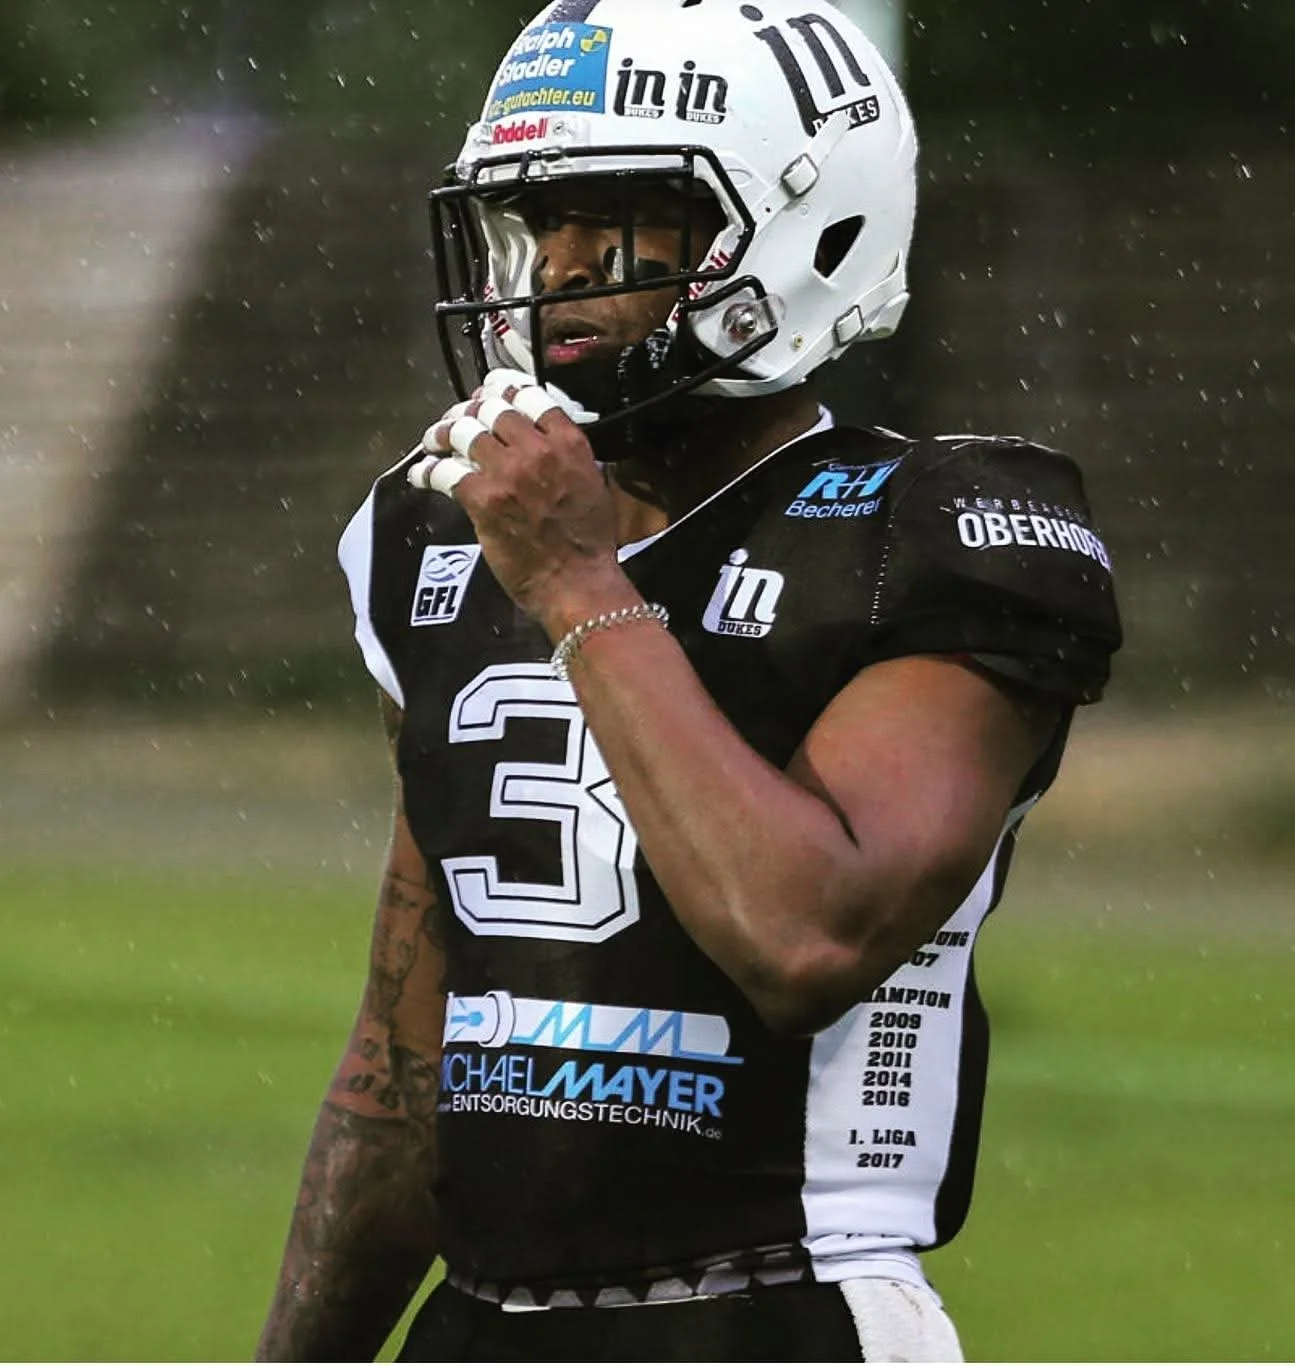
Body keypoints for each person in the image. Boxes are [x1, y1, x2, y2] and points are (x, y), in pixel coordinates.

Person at [256, 0, 1122, 1359]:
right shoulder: (440, 527)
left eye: (615, 222)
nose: (553, 273)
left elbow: (805, 938)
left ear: (801, 226)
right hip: (478, 1325)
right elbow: (401, 1064)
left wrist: (581, 587)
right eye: (537, 223)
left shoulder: (935, 533)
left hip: (780, 1308)